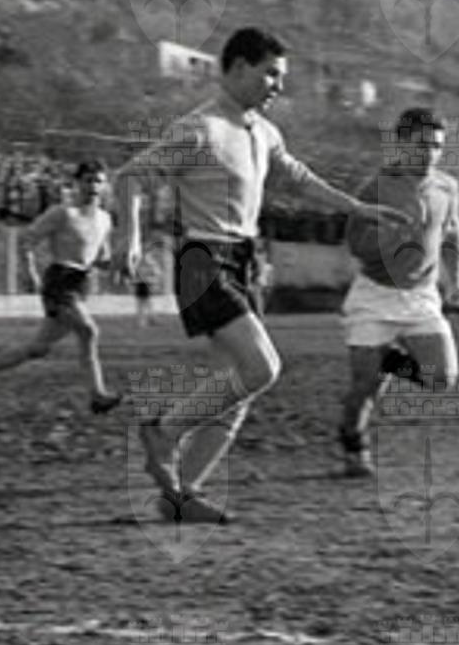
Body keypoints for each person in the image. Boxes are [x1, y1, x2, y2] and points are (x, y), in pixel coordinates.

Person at [112, 27, 409, 523]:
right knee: (263, 368)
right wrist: (132, 237)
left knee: (238, 390)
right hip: (204, 260)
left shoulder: (265, 133)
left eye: (281, 75)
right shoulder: (200, 128)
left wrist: (358, 208)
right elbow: (130, 177)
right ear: (237, 67)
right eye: (270, 73)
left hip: (243, 261)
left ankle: (179, 497)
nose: (278, 84)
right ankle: (163, 432)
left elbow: (299, 178)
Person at [335, 107, 459, 477]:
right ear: (402, 144)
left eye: (437, 146)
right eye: (422, 145)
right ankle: (353, 444)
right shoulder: (376, 188)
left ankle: (389, 360)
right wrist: (389, 239)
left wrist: (456, 280)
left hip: (421, 297)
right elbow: (356, 243)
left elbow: (453, 234)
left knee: (441, 378)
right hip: (375, 296)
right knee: (365, 386)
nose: (430, 153)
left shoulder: (447, 187)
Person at [0, 161, 123, 413]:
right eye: (88, 180)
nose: (93, 186)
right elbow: (27, 240)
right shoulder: (63, 213)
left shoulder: (105, 219)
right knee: (89, 331)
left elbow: (101, 257)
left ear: (105, 186)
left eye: (98, 181)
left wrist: (121, 265)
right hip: (60, 281)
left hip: (81, 283)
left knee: (38, 348)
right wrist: (30, 273)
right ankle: (97, 395)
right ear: (77, 183)